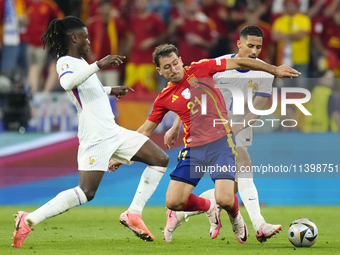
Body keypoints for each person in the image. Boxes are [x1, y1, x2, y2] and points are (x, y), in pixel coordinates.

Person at [112, 43, 298, 243]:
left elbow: (240, 61)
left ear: (181, 60)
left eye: (175, 63)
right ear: (159, 71)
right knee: (173, 202)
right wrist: (121, 156)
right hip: (193, 149)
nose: (174, 69)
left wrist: (274, 70)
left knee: (225, 199)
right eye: (167, 67)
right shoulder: (164, 98)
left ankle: (236, 216)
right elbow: (144, 131)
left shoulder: (202, 68)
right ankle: (209, 208)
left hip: (221, 144)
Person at [12, 16, 169, 248]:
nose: (88, 41)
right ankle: (29, 219)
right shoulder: (65, 61)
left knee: (160, 159)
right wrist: (99, 65)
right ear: (74, 38)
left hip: (111, 131)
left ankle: (133, 213)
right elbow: (67, 84)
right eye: (85, 36)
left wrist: (109, 89)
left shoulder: (81, 63)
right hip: (95, 135)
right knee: (86, 193)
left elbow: (86, 88)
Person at [163, 25, 283, 243]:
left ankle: (179, 213)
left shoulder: (265, 70)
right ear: (239, 44)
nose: (254, 51)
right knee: (244, 163)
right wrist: (175, 126)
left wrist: (238, 127)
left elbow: (258, 107)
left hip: (239, 126)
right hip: (210, 127)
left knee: (229, 192)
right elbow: (193, 98)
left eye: (258, 47)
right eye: (250, 46)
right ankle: (259, 225)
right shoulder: (220, 66)